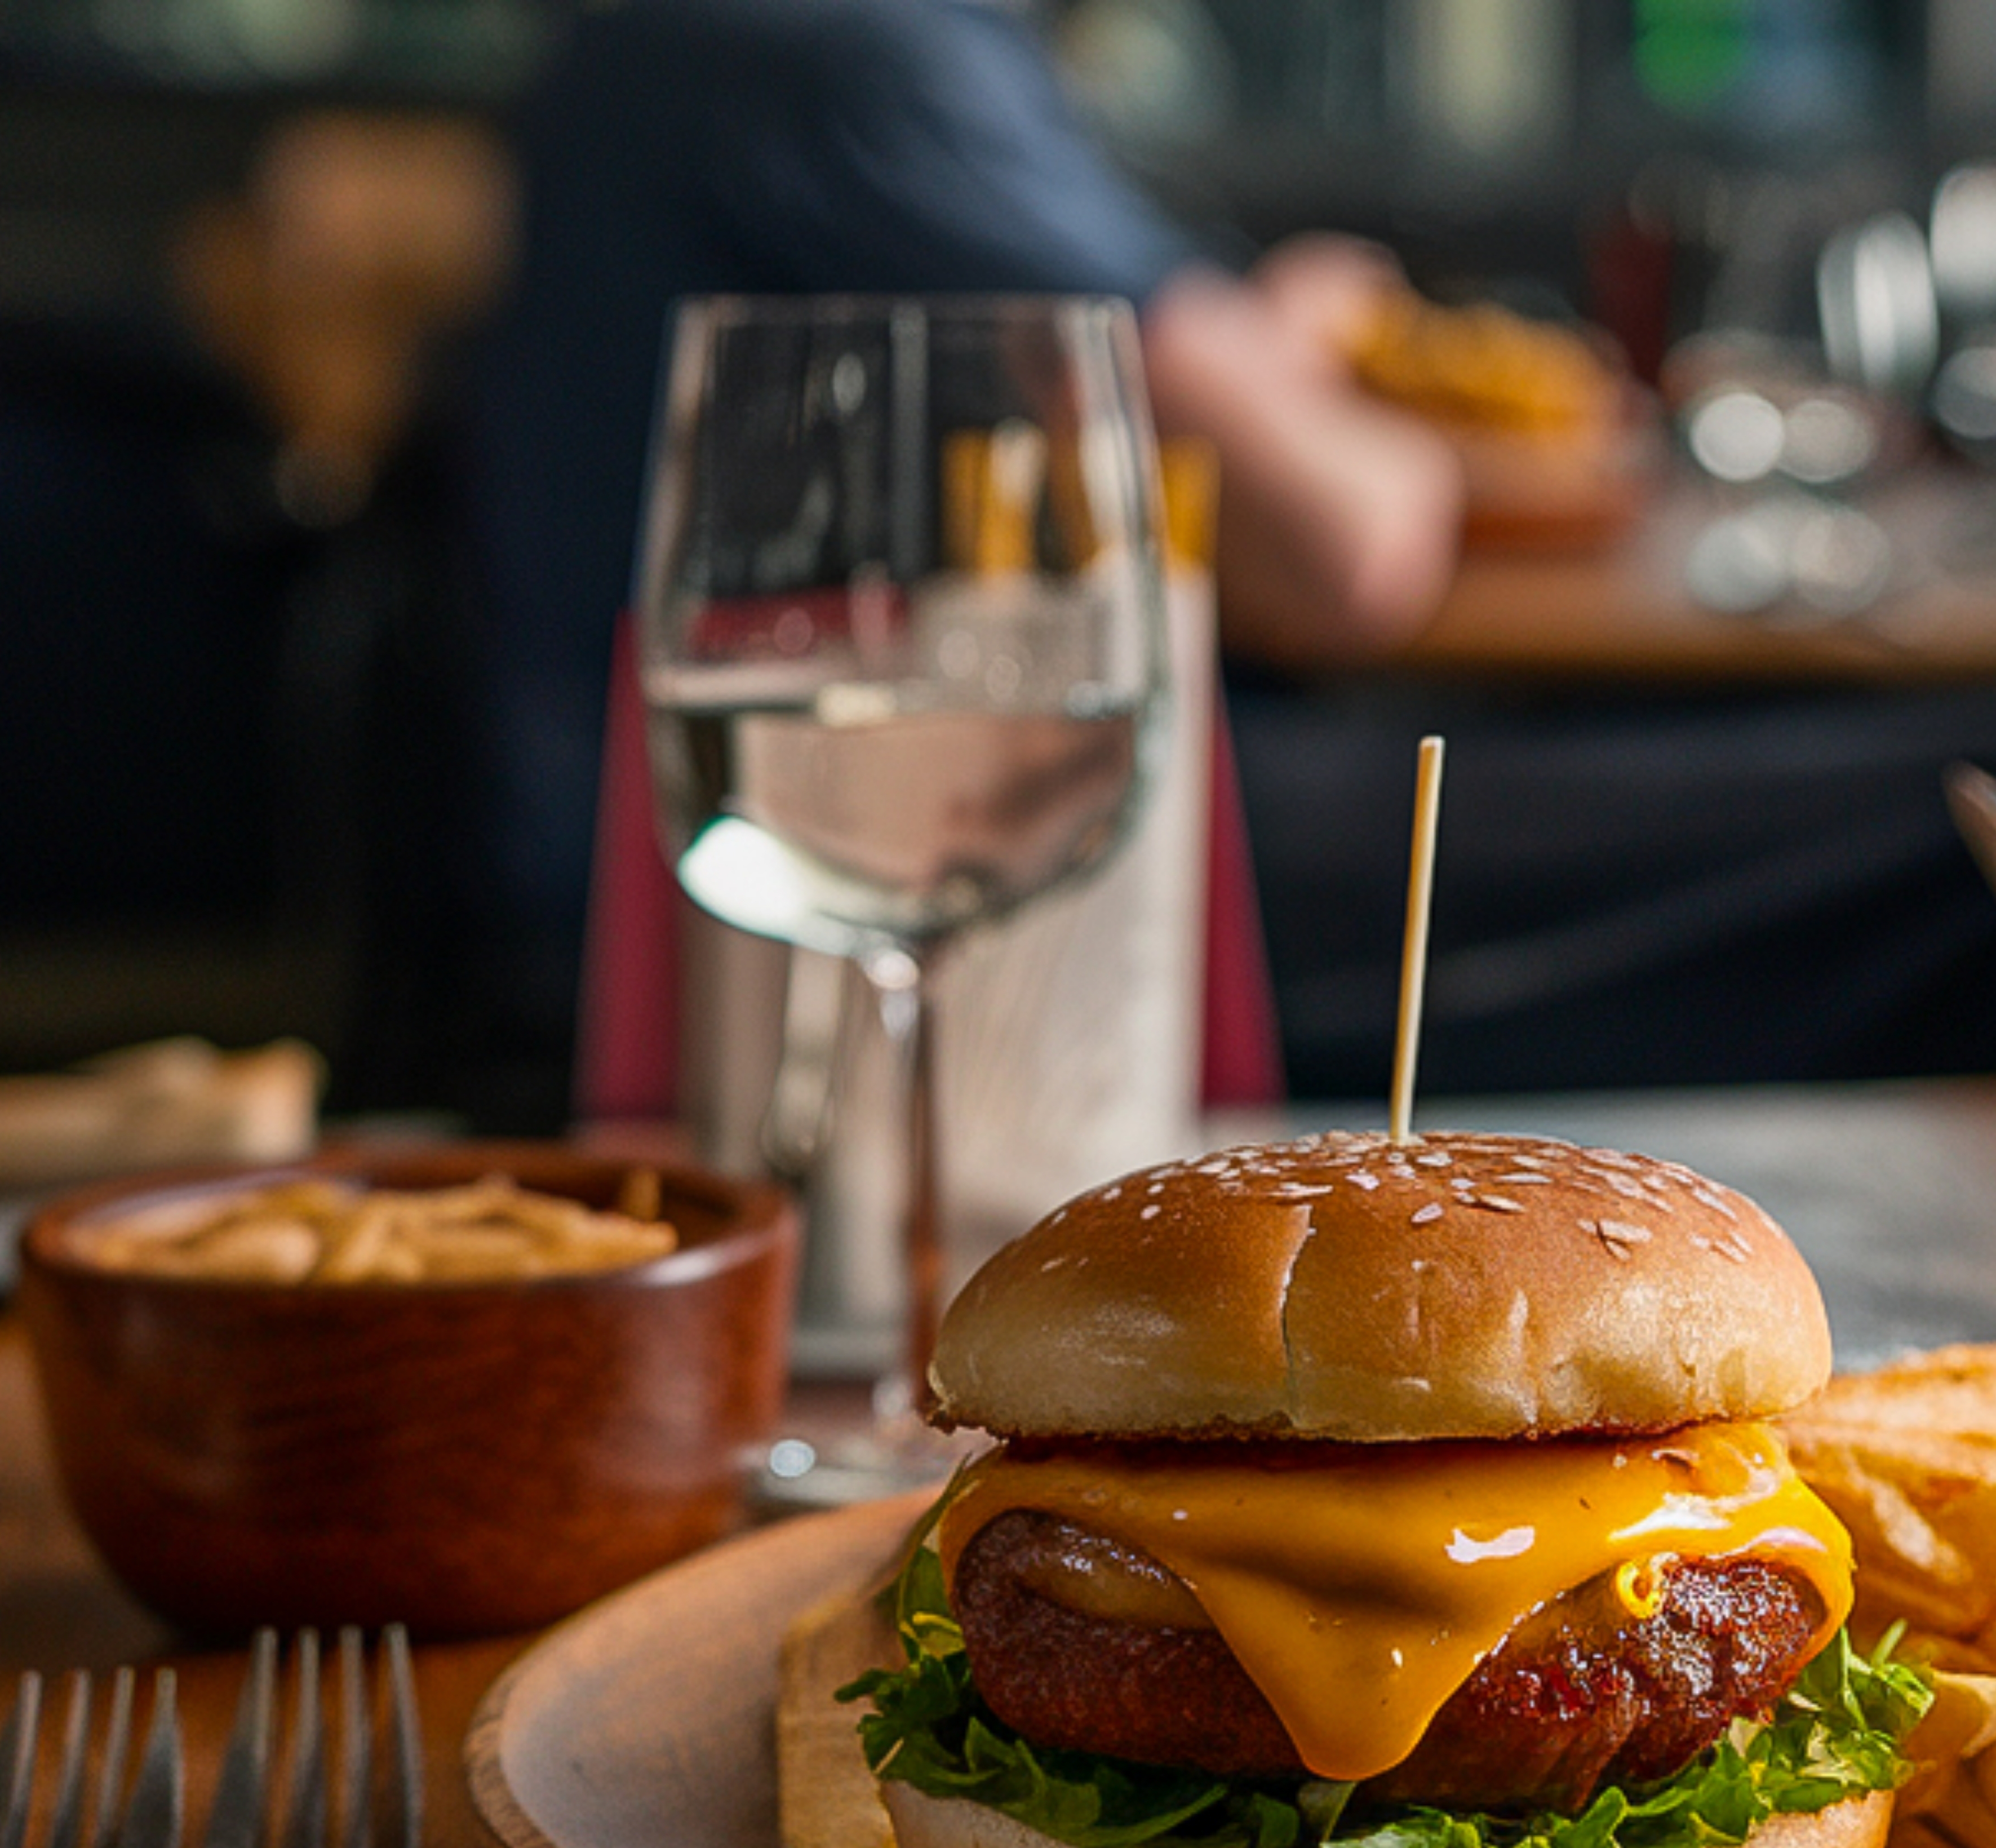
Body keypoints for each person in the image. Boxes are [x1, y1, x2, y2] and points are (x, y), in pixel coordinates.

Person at [464, 0, 1460, 1123]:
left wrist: (1253, 341)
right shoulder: (859, 57)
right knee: (1700, 829)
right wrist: (1300, 345)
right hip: (770, 857)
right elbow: (1349, 548)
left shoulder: (693, 41)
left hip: (691, 817)